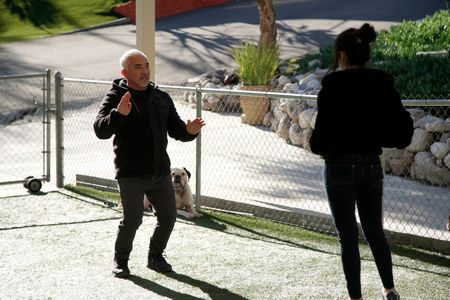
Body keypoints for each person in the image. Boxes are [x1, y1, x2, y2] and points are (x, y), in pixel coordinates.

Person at [310, 23, 413, 300]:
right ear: (365, 54)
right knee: (374, 232)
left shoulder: (331, 89)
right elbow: (404, 131)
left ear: (342, 56)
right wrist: (377, 135)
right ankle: (390, 290)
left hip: (339, 167)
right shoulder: (382, 84)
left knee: (348, 237)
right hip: (371, 164)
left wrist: (329, 148)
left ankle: (356, 298)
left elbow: (318, 141)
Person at [93, 49, 205, 278]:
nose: (145, 72)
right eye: (138, 67)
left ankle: (155, 257)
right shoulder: (116, 97)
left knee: (168, 217)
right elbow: (100, 130)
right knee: (132, 220)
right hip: (130, 173)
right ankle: (121, 260)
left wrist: (189, 131)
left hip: (159, 172)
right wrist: (118, 114)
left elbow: (176, 130)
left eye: (146, 66)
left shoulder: (161, 97)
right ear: (125, 72)